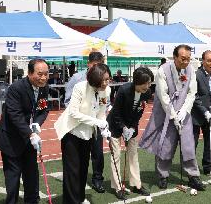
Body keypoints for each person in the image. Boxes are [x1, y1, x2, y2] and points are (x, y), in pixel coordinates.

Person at [139, 44, 205, 191]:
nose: (186, 62)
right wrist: (174, 116)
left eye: (188, 59)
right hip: (166, 113)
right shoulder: (163, 70)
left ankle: (193, 176)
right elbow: (163, 96)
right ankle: (163, 175)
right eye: (183, 59)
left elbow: (191, 92)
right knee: (165, 145)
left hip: (184, 113)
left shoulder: (191, 70)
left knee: (188, 145)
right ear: (175, 57)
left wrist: (184, 111)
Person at [0, 59, 50, 204]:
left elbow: (43, 109)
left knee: (31, 175)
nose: (43, 77)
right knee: (13, 178)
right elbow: (14, 114)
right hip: (11, 139)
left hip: (29, 139)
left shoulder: (44, 87)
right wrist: (30, 133)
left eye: (46, 74)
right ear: (30, 73)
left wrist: (37, 123)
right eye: (40, 74)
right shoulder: (16, 88)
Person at [54, 63, 112, 204]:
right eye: (103, 80)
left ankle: (79, 198)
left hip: (88, 133)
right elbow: (74, 113)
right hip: (72, 131)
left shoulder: (107, 90)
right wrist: (97, 122)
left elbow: (101, 111)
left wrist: (104, 127)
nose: (106, 83)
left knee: (83, 168)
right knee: (72, 170)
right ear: (95, 79)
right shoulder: (80, 87)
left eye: (108, 79)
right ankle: (71, 201)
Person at [107, 67, 153, 200]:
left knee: (133, 154)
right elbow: (116, 112)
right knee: (116, 155)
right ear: (137, 81)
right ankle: (117, 186)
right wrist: (123, 128)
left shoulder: (146, 92)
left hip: (131, 125)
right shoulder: (124, 90)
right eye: (146, 83)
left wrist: (132, 127)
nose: (148, 86)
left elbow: (140, 111)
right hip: (115, 125)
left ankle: (136, 185)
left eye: (150, 83)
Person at [63, 51, 107, 193]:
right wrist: (88, 116)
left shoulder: (105, 86)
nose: (97, 70)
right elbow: (68, 103)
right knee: (77, 162)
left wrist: (103, 123)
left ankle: (97, 179)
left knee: (98, 153)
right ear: (88, 64)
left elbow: (103, 105)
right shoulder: (77, 79)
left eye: (100, 66)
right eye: (94, 66)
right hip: (76, 126)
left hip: (94, 126)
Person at [191, 50, 211, 177]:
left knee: (209, 141)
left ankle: (208, 167)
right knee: (193, 143)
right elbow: (194, 95)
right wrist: (204, 110)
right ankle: (191, 169)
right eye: (209, 60)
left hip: (210, 115)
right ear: (203, 61)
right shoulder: (196, 75)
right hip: (196, 115)